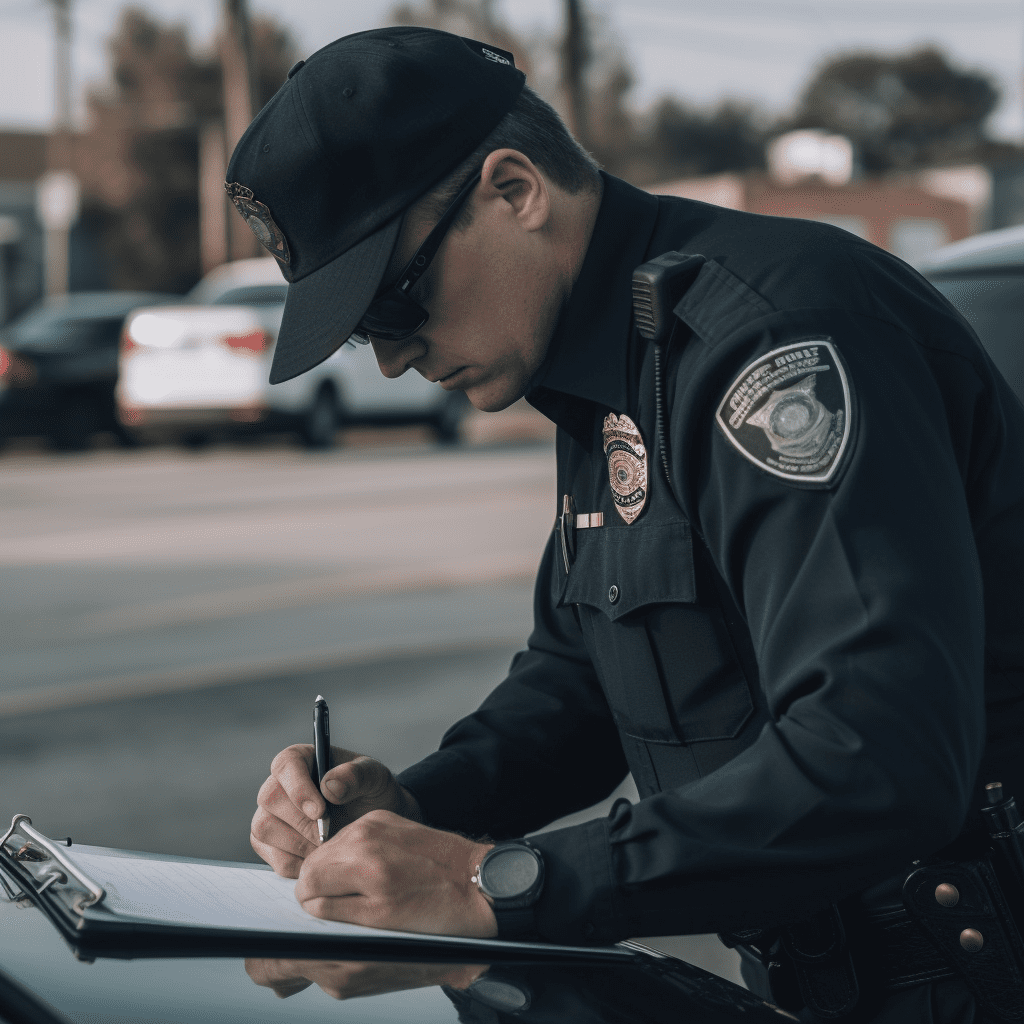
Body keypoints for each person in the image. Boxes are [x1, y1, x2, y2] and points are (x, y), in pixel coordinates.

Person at [228, 26, 1024, 1021]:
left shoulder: (772, 343)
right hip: (834, 975)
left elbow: (879, 756)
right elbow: (586, 680)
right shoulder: (606, 363)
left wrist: (488, 886)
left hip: (975, 968)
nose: (390, 360)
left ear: (513, 190)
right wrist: (420, 808)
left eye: (395, 301)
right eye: (363, 334)